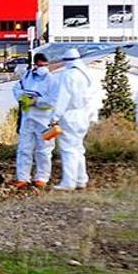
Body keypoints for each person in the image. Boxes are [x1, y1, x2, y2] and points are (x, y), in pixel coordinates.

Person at [50, 48, 94, 191]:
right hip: (83, 115)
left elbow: (63, 98)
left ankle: (68, 182)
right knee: (78, 148)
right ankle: (81, 179)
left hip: (70, 115)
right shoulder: (85, 74)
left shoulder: (68, 75)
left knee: (68, 149)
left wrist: (55, 117)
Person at [12, 53, 57, 189]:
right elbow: (16, 89)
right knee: (24, 149)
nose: (40, 67)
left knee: (44, 150)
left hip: (44, 120)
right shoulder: (27, 76)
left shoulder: (51, 80)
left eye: (42, 65)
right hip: (28, 118)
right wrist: (24, 98)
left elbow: (54, 100)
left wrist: (37, 101)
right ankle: (22, 178)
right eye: (38, 65)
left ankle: (42, 178)